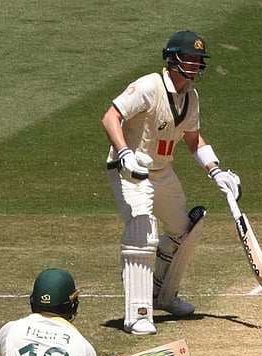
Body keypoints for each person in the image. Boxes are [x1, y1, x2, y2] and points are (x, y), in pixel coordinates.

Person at [101, 29, 242, 336]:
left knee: (187, 229)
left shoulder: (190, 97)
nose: (194, 66)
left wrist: (217, 171)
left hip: (162, 172)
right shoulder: (150, 86)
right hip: (131, 170)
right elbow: (110, 117)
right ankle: (137, 314)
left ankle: (164, 295)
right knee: (142, 232)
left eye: (198, 60)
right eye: (189, 58)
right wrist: (125, 153)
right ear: (173, 58)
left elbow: (193, 139)